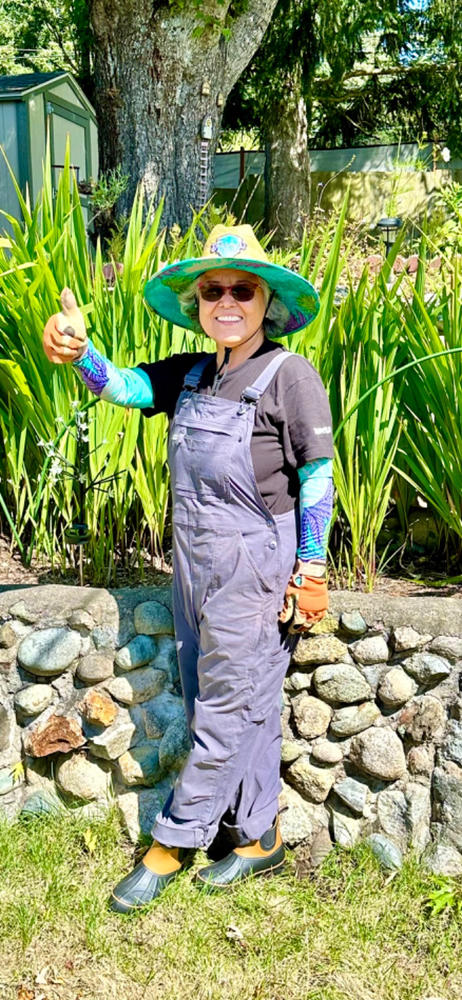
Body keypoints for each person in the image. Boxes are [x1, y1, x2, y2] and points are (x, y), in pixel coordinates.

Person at [43, 224, 334, 912]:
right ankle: (259, 840)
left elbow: (317, 475)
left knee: (226, 707)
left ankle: (169, 847)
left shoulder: (289, 376)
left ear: (267, 302)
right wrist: (82, 354)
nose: (226, 300)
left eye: (242, 289)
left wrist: (312, 570)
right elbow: (124, 388)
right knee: (235, 704)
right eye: (213, 290)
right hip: (195, 565)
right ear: (198, 302)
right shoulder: (194, 373)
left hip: (256, 567)